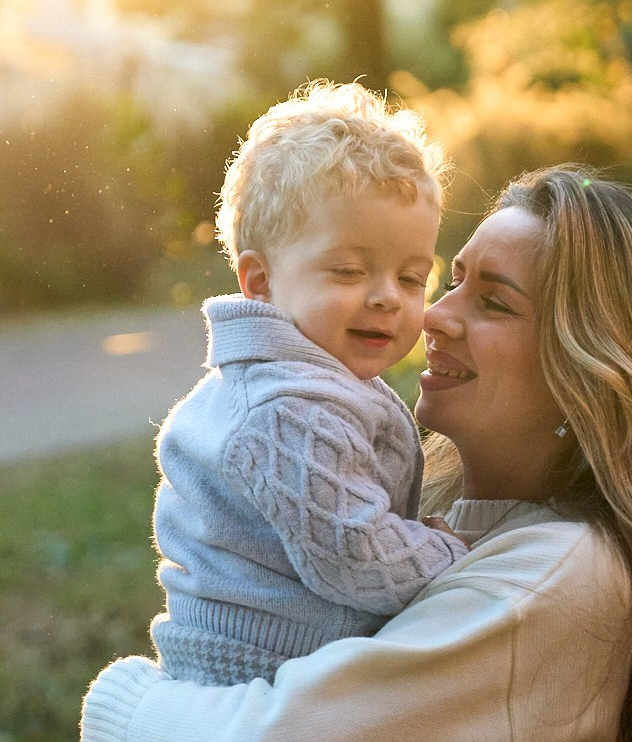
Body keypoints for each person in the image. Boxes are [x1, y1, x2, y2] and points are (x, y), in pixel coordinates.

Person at [80, 166, 632, 742]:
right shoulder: (434, 524)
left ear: (590, 367)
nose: (429, 316)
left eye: (492, 301)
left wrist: (123, 700)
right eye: (449, 281)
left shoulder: (555, 579)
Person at [148, 80, 467, 685]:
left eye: (411, 276)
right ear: (260, 281)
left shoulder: (308, 379)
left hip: (286, 660)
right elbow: (358, 560)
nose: (385, 298)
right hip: (261, 671)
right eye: (348, 270)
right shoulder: (288, 410)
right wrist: (454, 554)